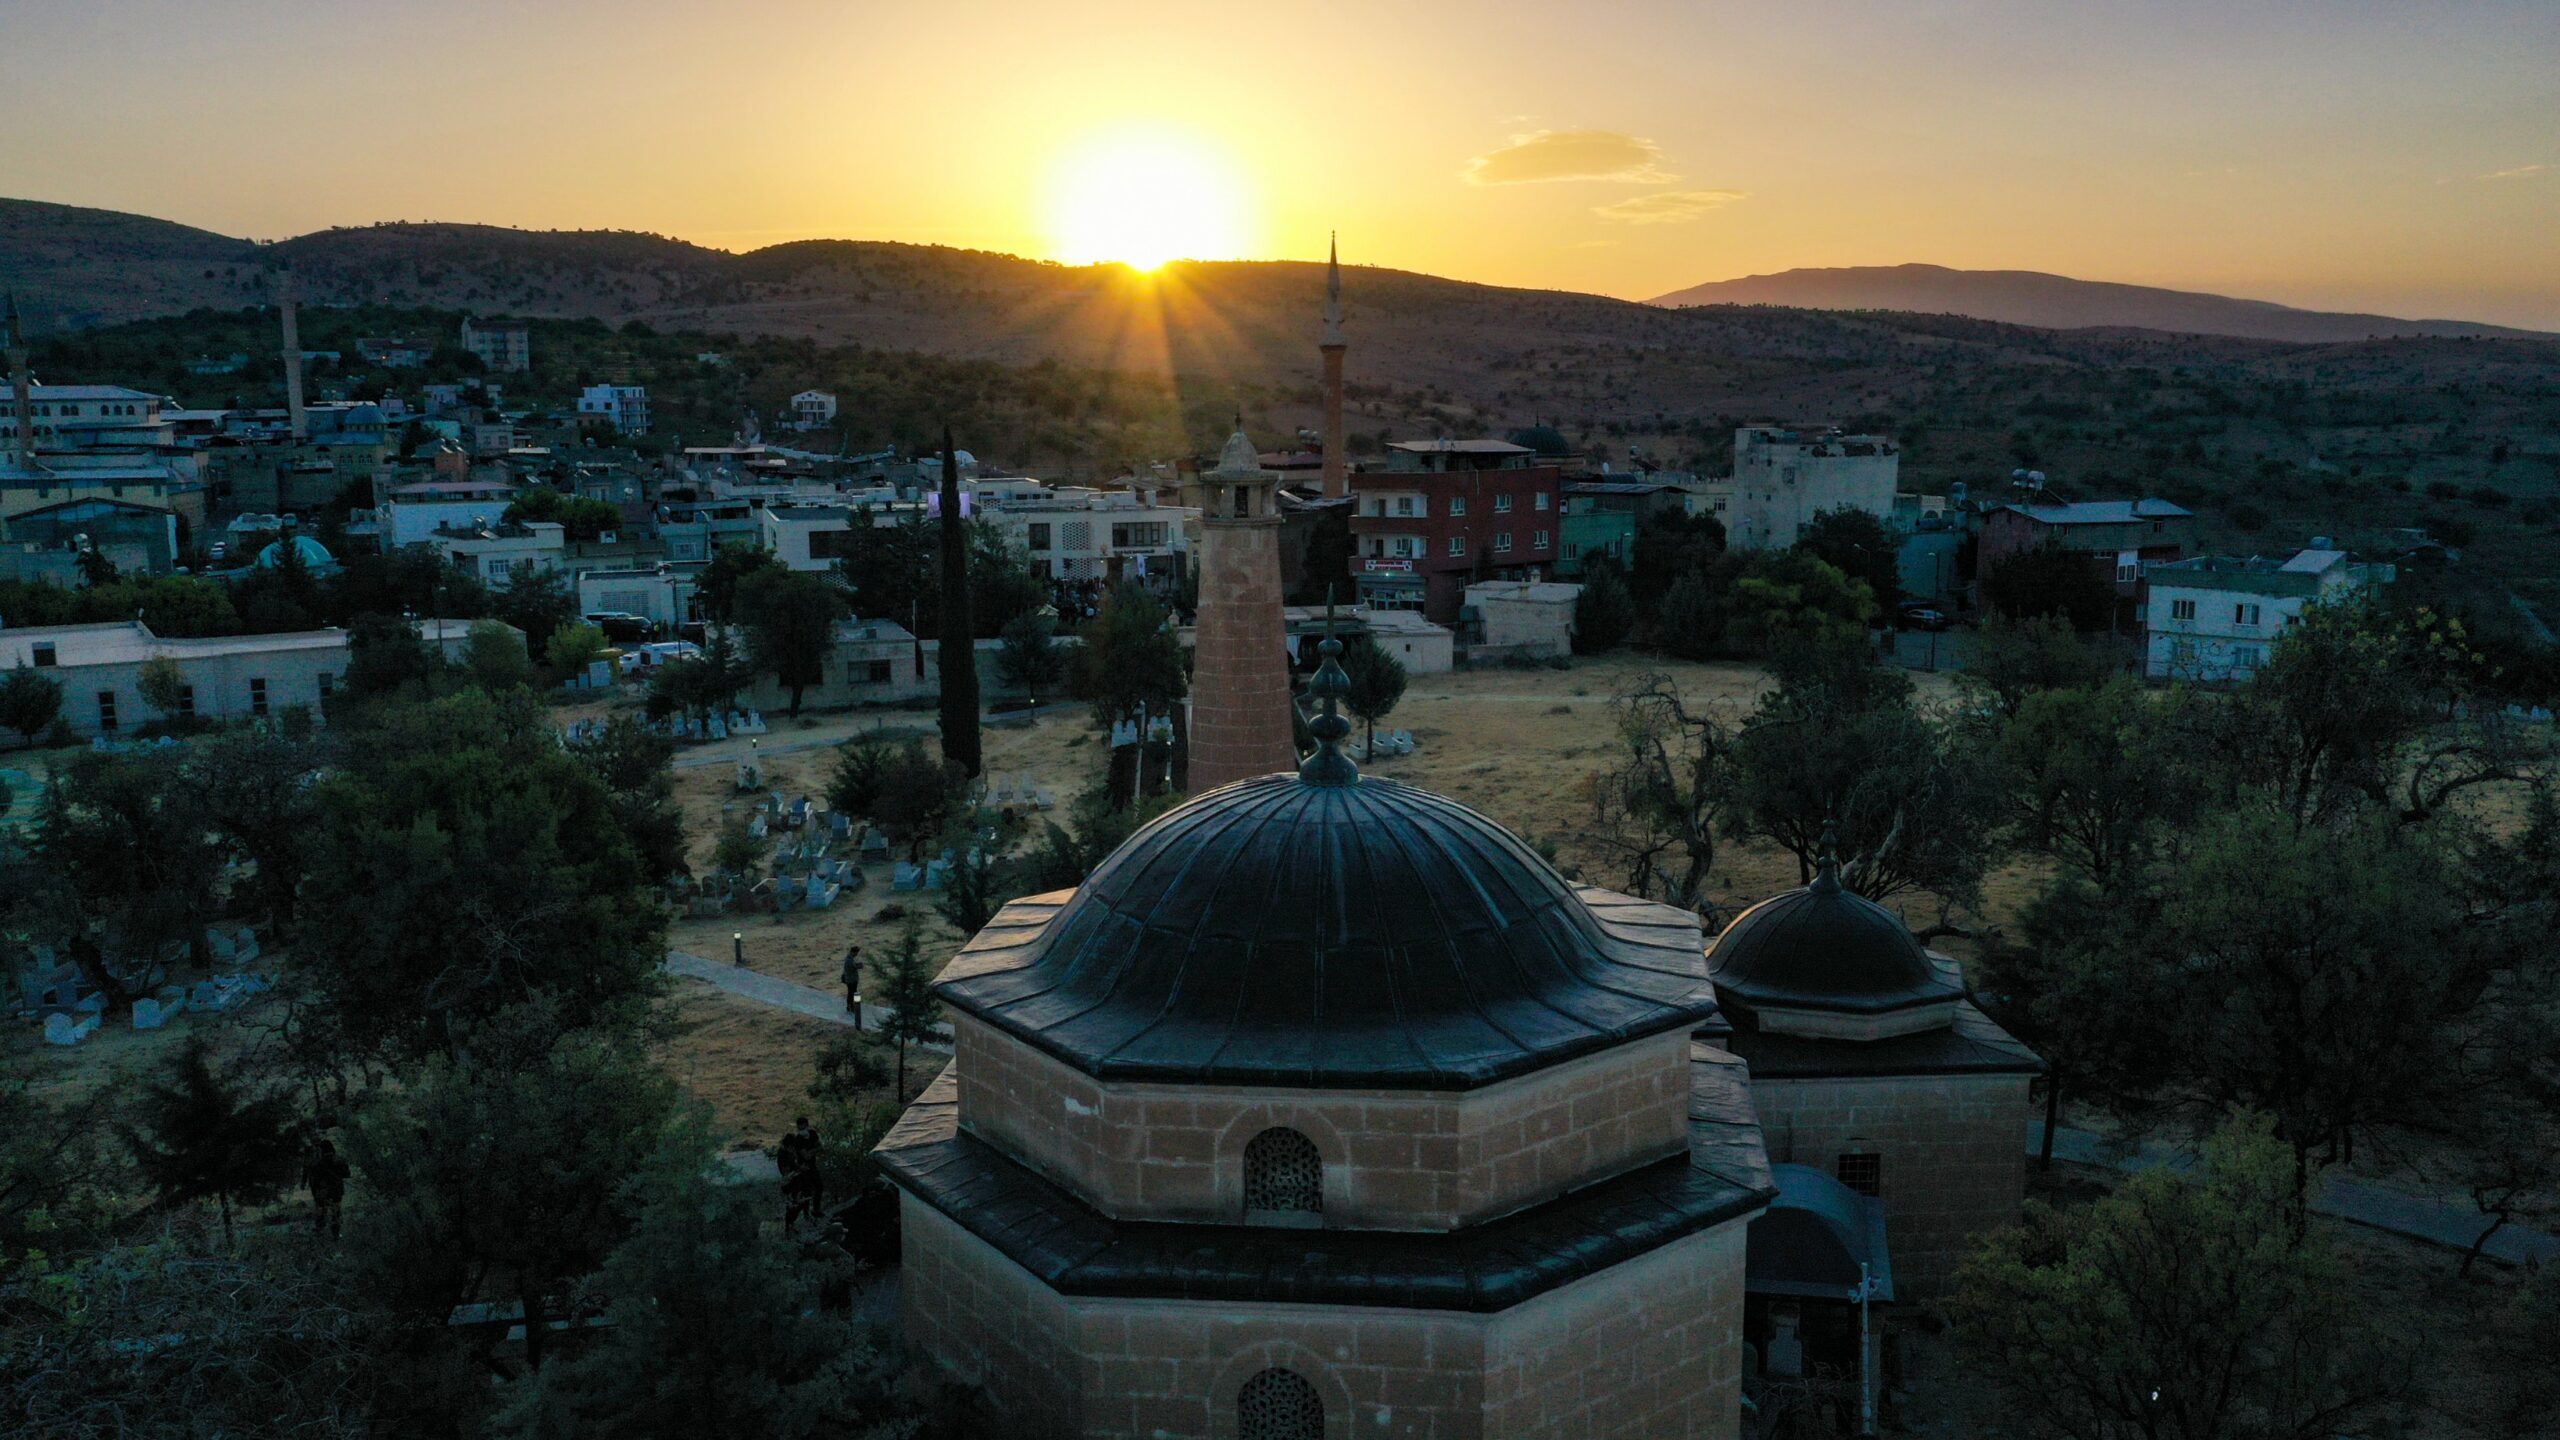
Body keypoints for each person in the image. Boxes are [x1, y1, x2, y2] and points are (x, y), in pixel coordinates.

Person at [777, 1115, 822, 1231]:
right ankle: (790, 1226)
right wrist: (799, 1169)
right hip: (790, 1182)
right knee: (794, 1205)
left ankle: (802, 1218)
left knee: (804, 1198)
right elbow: (786, 1171)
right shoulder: (783, 1155)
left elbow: (797, 1162)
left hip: (797, 1178)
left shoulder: (789, 1153)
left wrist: (800, 1167)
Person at [305, 1138, 349, 1238]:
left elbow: (314, 1181)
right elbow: (346, 1174)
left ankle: (320, 1230)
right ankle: (336, 1233)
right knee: (336, 1212)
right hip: (337, 1190)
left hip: (323, 1191)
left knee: (321, 1211)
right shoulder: (339, 1160)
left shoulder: (317, 1164)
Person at [840, 943, 864, 1017]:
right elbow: (853, 967)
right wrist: (859, 966)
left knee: (851, 993)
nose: (856, 954)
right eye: (856, 953)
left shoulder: (849, 958)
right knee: (852, 993)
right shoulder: (849, 960)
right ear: (853, 952)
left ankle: (850, 1006)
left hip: (850, 979)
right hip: (851, 980)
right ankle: (852, 1007)